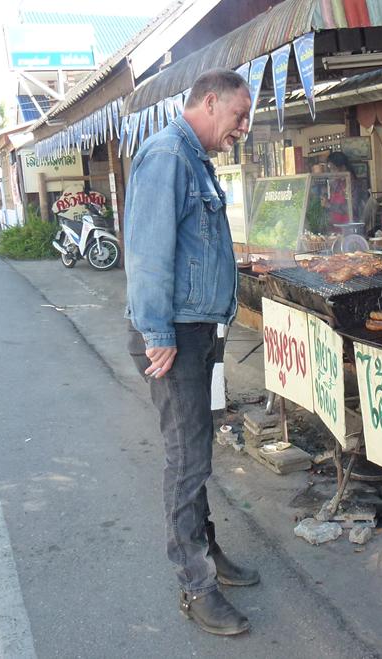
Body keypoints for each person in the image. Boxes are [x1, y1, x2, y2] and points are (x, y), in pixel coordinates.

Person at [123, 68, 259, 638]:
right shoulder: (167, 157)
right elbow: (148, 253)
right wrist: (157, 334)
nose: (243, 128)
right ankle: (195, 585)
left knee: (196, 448)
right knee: (187, 458)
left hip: (196, 330)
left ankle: (206, 549)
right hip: (172, 337)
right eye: (239, 116)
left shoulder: (195, 161)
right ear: (209, 102)